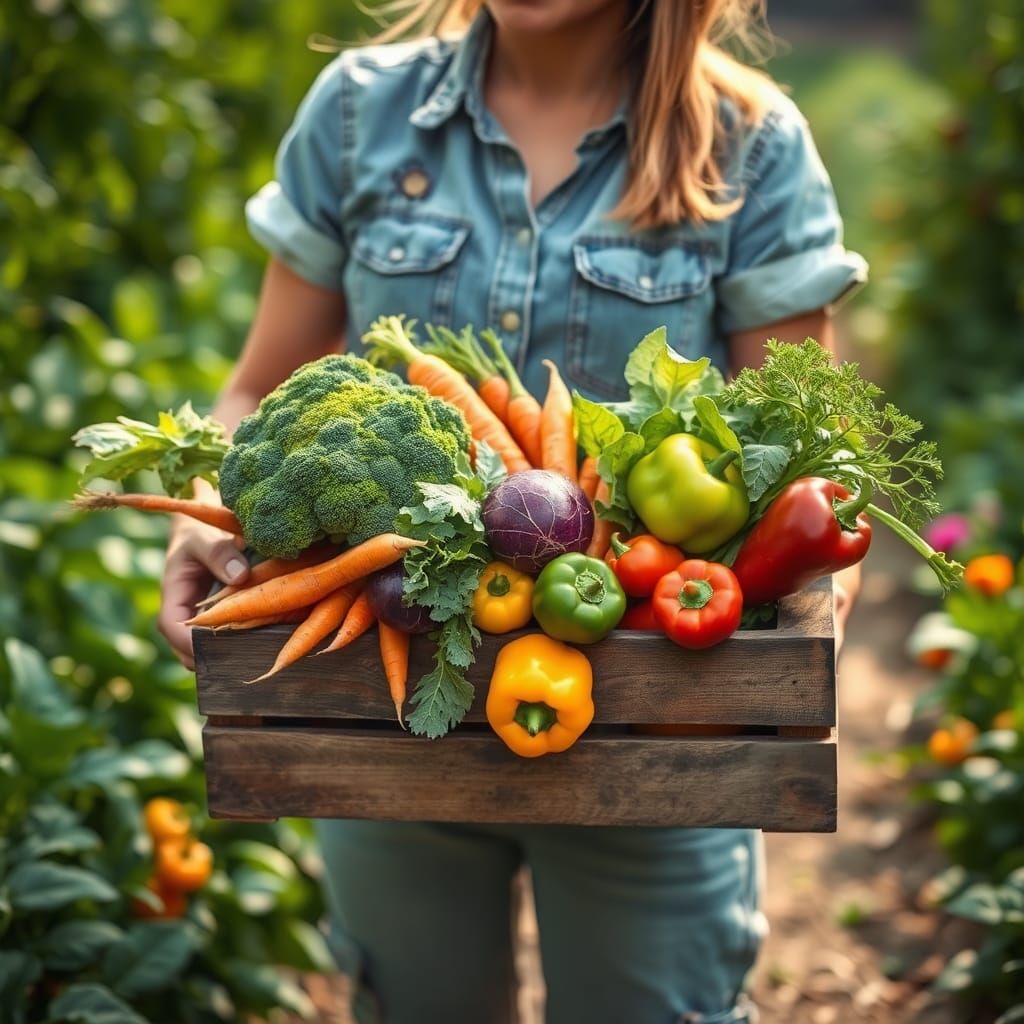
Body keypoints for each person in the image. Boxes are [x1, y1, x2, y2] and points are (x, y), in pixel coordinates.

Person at [160, 1, 867, 1020]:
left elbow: (806, 468)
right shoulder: (360, 116)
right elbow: (257, 388)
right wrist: (200, 512)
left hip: (653, 736)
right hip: (390, 709)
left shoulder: (748, 147)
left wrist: (808, 586)